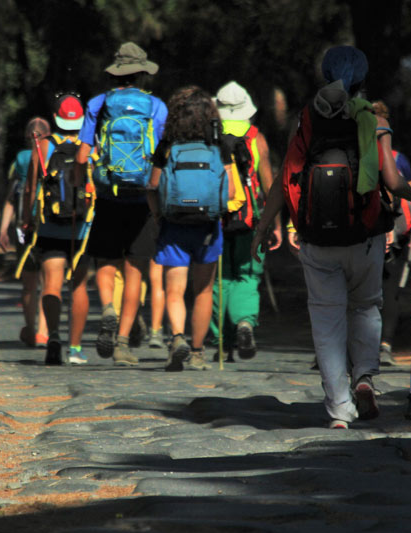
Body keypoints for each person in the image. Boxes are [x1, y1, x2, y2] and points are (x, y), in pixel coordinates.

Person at [252, 46, 411, 429]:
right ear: (363, 79)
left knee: (327, 318)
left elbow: (285, 179)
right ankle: (364, 376)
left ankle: (338, 409)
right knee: (366, 307)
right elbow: (392, 180)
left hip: (316, 237)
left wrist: (264, 226)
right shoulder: (373, 119)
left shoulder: (306, 119)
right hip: (365, 235)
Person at [73, 42, 168, 367]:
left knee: (105, 262)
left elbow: (83, 155)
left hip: (107, 196)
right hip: (142, 199)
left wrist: (78, 183)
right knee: (134, 273)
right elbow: (161, 155)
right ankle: (123, 344)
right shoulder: (157, 106)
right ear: (142, 74)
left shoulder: (99, 104)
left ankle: (108, 310)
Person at [147, 85, 246, 371]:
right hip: (207, 227)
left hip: (173, 225)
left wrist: (157, 217)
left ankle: (177, 339)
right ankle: (199, 351)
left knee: (174, 290)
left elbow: (153, 186)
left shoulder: (166, 146)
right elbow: (229, 192)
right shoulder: (220, 147)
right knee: (203, 291)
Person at [209, 81, 282, 361]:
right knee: (247, 275)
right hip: (250, 217)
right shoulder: (255, 137)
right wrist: (274, 222)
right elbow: (268, 183)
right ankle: (244, 322)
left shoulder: (210, 135)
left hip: (216, 216)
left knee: (219, 278)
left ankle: (220, 341)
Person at [22, 94, 93, 366]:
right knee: (79, 286)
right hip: (82, 229)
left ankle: (53, 336)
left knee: (51, 283)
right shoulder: (91, 146)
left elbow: (31, 188)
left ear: (56, 118)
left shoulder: (42, 146)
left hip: (50, 226)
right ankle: (75, 348)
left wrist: (27, 220)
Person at [0, 117, 50, 349]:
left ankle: (30, 329)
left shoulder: (20, 159)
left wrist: (3, 229)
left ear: (27, 136)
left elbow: (12, 198)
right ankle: (45, 332)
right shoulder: (57, 153)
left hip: (24, 228)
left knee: (29, 282)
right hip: (52, 225)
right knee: (49, 281)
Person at [371, 100, 411, 367]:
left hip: (361, 232)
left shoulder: (354, 153)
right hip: (393, 233)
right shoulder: (399, 159)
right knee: (389, 290)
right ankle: (385, 345)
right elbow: (405, 194)